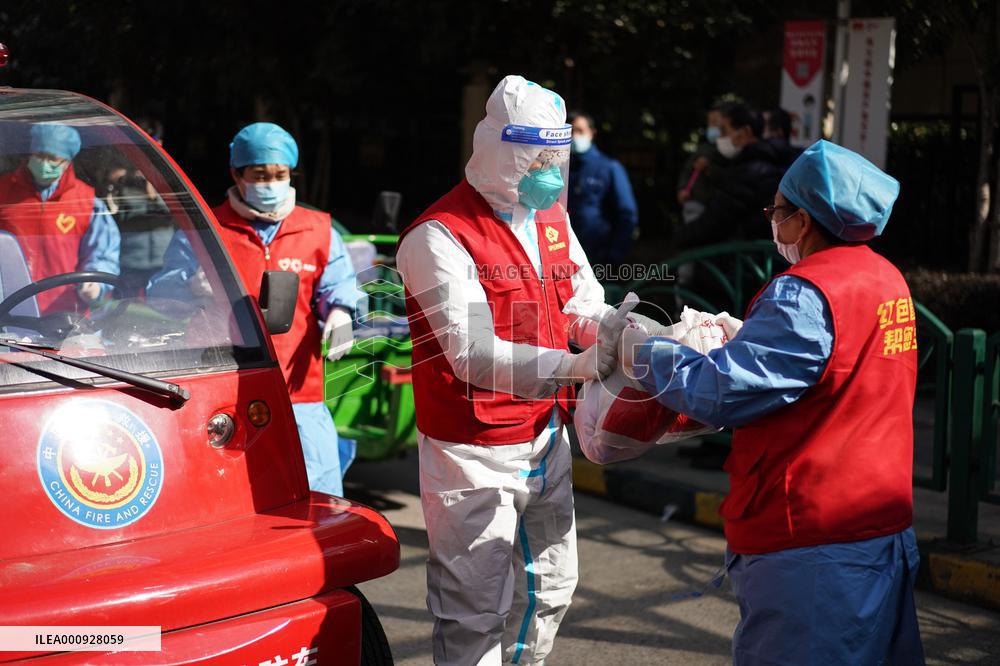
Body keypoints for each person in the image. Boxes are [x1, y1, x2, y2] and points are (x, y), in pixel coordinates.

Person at [619, 140, 924, 664]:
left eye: (777, 212)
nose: (773, 223)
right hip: (881, 525)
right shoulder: (885, 278)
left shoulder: (804, 293)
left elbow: (717, 393)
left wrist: (645, 352)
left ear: (802, 222)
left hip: (810, 541)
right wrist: (750, 341)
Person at [395, 75, 629, 665]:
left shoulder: (549, 217)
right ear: (502, 149)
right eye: (539, 156)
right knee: (473, 612)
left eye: (558, 156)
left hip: (544, 436)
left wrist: (627, 336)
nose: (551, 169)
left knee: (549, 590)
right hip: (471, 452)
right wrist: (574, 367)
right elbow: (471, 352)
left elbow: (578, 302)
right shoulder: (439, 237)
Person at [147, 123, 365, 496]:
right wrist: (189, 285)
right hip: (222, 386)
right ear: (237, 174)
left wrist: (342, 311)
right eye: (259, 175)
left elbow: (339, 285)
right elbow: (160, 293)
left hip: (298, 390)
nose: (270, 182)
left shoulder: (318, 229)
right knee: (223, 492)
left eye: (279, 175)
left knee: (317, 493)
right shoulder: (208, 228)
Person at [0, 123, 120, 313]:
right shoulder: (3, 191)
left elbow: (103, 252)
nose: (44, 163)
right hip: (9, 309)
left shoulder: (87, 202)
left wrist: (95, 284)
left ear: (67, 161)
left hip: (66, 314)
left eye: (53, 158)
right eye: (39, 155)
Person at [683, 103, 786, 245]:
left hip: (746, 259)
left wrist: (678, 237)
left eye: (724, 131)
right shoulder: (775, 160)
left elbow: (715, 222)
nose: (720, 137)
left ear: (744, 133)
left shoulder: (747, 173)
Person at [566, 110, 638, 264]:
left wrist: (615, 254)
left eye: (579, 130)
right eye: (570, 131)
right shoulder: (562, 168)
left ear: (592, 133)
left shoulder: (609, 167)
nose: (574, 136)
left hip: (599, 254)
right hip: (566, 253)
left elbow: (627, 214)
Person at [98, 155, 174, 297]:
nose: (141, 177)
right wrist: (115, 184)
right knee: (123, 306)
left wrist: (153, 193)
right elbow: (112, 216)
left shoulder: (165, 186)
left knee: (163, 306)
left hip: (160, 260)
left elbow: (176, 211)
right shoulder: (122, 188)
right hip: (130, 262)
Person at [675, 100, 729, 229]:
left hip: (715, 206)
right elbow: (687, 170)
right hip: (694, 202)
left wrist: (709, 169)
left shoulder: (729, 151)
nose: (711, 127)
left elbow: (726, 177)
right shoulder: (703, 149)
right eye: (710, 123)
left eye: (715, 123)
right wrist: (682, 189)